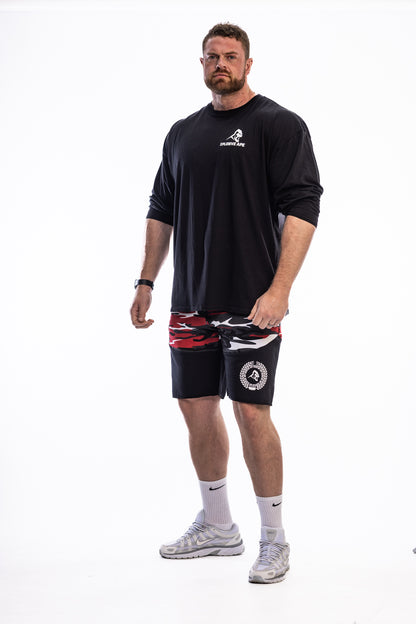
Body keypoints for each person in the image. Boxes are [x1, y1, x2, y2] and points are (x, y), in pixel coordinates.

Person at [130, 23, 323, 584]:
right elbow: (160, 208)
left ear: (248, 64)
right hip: (191, 300)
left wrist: (280, 290)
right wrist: (146, 280)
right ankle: (218, 526)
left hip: (251, 302)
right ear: (202, 64)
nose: (221, 63)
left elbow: (304, 208)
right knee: (195, 406)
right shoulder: (181, 133)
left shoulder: (279, 125)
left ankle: (274, 539)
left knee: (250, 411)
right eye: (212, 56)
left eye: (231, 56)